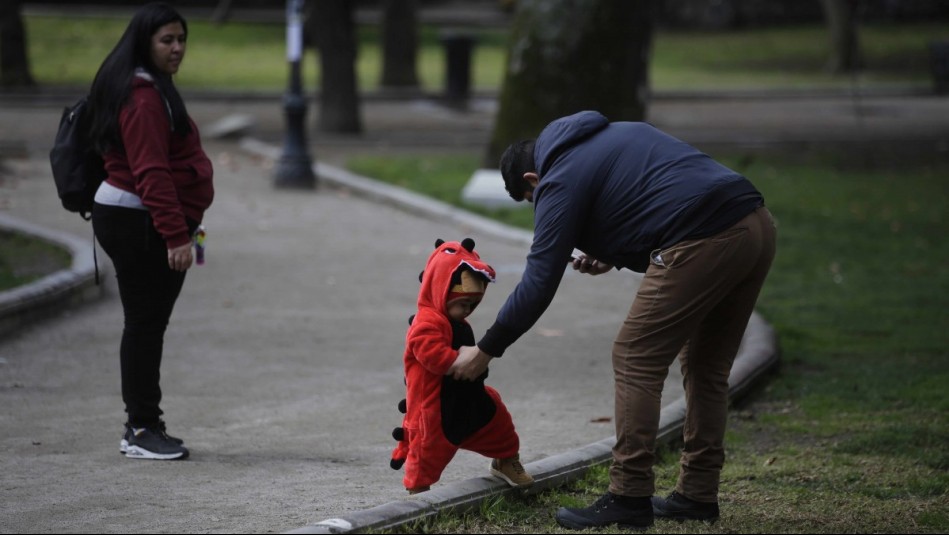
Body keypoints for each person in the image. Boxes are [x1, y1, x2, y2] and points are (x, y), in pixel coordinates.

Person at [449, 111, 776, 529]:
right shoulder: (612, 134)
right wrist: (614, 252)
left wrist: (486, 349)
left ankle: (629, 493)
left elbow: (540, 278)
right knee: (706, 366)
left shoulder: (558, 176)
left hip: (704, 235)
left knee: (635, 356)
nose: (541, 206)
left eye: (534, 201)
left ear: (532, 180)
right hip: (755, 224)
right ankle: (697, 493)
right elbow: (654, 193)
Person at [87, 2, 214, 461]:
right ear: (145, 43)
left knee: (148, 324)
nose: (177, 48)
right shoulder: (142, 98)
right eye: (167, 40)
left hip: (146, 219)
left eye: (182, 39)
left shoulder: (153, 88)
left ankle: (144, 424)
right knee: (144, 325)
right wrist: (176, 234)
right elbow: (151, 173)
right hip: (139, 222)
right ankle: (140, 428)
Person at [390, 238, 534, 494]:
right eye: (462, 303)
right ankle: (418, 495)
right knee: (426, 453)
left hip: (469, 398)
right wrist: (459, 361)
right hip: (435, 407)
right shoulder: (427, 322)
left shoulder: (457, 321)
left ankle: (505, 460)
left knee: (499, 424)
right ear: (441, 290)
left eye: (472, 305)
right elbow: (430, 353)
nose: (467, 311)